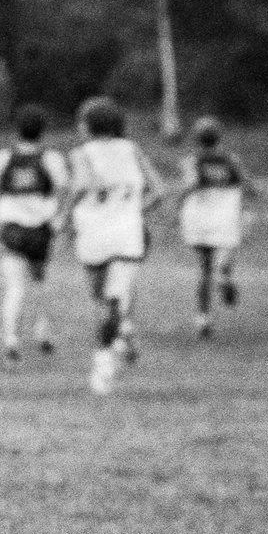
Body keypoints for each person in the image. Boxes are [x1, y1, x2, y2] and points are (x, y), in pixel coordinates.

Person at [65, 96, 165, 395]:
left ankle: (104, 361)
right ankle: (115, 343)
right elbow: (158, 191)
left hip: (93, 233)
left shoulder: (81, 154)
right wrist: (134, 210)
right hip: (127, 234)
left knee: (100, 299)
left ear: (88, 125)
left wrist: (63, 216)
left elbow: (81, 186)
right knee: (114, 299)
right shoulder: (132, 149)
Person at [0, 104, 68, 363]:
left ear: (16, 129)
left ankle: (11, 339)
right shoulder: (51, 158)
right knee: (40, 281)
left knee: (14, 286)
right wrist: (58, 216)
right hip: (41, 229)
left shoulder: (4, 157)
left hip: (12, 228)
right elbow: (65, 187)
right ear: (43, 131)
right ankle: (43, 332)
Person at [177, 118, 251, 338]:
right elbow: (248, 185)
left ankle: (202, 319)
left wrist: (179, 200)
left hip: (199, 219)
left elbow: (190, 184)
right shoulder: (231, 160)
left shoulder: (192, 160)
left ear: (197, 139)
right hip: (225, 218)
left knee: (204, 269)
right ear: (219, 137)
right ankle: (225, 276)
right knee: (224, 259)